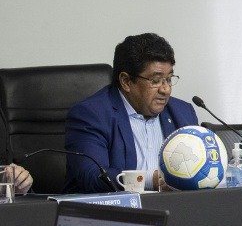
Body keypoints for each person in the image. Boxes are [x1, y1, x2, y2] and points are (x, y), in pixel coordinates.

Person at [64, 33, 198, 193]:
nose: (166, 89)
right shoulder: (91, 115)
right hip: (115, 207)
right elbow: (93, 177)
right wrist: (150, 180)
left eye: (168, 79)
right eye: (156, 81)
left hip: (174, 205)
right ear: (126, 81)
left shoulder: (183, 112)